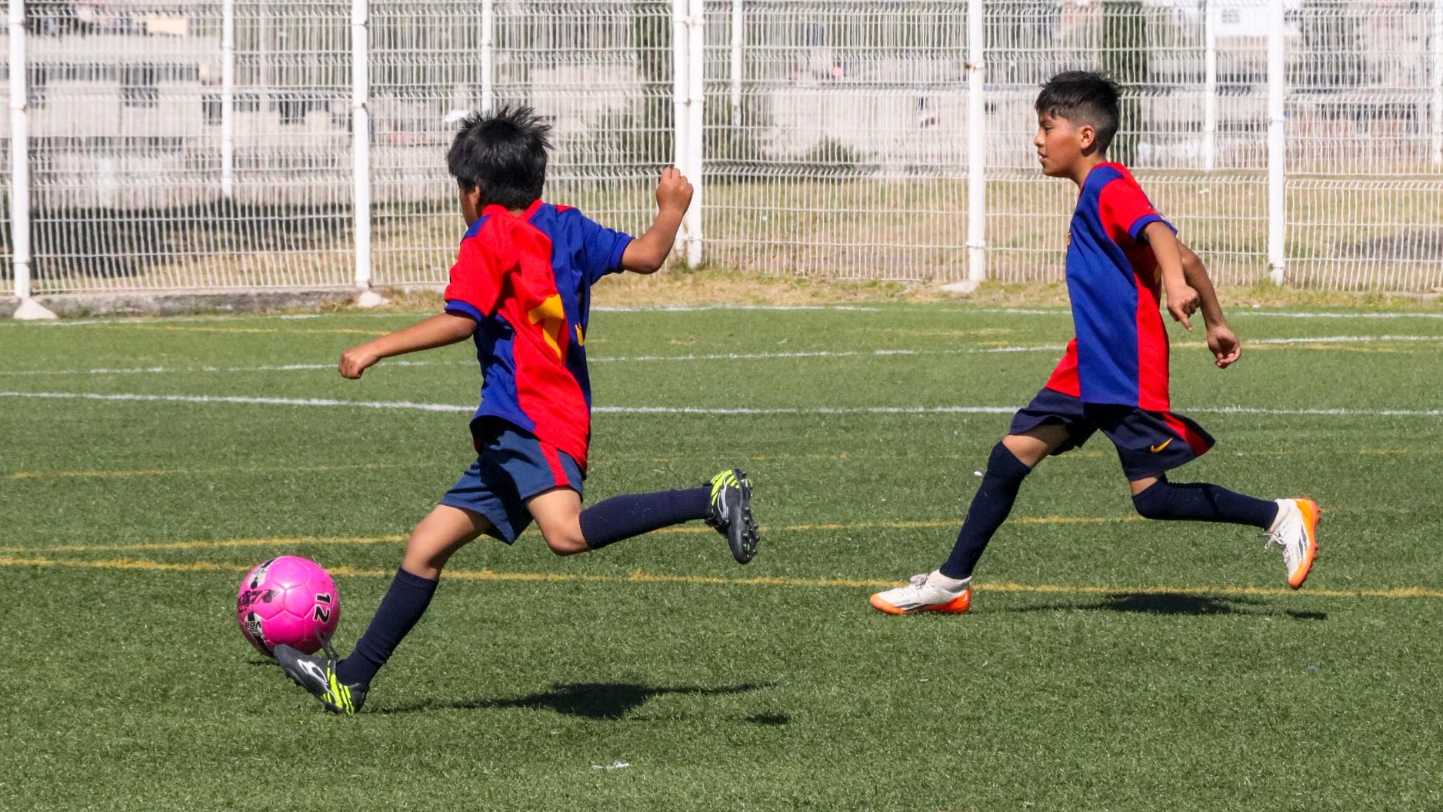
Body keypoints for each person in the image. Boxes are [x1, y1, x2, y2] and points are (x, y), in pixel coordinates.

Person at [273, 105, 759, 714]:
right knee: (427, 545)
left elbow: (460, 320)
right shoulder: (566, 225)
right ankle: (351, 679)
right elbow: (646, 255)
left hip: (534, 417)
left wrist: (374, 347)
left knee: (566, 533)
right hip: (519, 427)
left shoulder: (487, 236)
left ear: (474, 191)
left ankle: (710, 497)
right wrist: (670, 210)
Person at [869, 71, 1319, 616]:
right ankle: (950, 582)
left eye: (1046, 127)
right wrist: (1215, 322)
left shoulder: (1108, 184)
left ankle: (1281, 515)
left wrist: (1177, 289)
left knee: (1147, 495)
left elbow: (1160, 233)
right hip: (1091, 362)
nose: (1037, 140)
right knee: (1015, 459)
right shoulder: (1097, 193)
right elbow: (1188, 257)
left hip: (1120, 364)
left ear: (1084, 136)